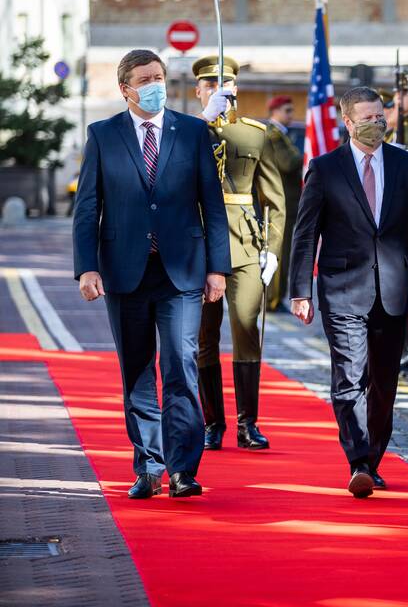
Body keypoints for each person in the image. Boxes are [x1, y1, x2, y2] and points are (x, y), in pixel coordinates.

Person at [72, 48, 230, 499]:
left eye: (158, 76)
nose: (154, 84)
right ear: (126, 89)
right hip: (125, 272)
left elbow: (212, 206)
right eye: (145, 79)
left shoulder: (193, 132)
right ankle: (149, 465)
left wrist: (217, 268)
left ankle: (183, 469)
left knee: (180, 365)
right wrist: (86, 267)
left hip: (182, 272)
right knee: (137, 371)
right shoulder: (102, 135)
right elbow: (88, 208)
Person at [289, 86, 408, 498]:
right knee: (349, 375)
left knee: (383, 381)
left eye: (380, 116)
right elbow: (305, 234)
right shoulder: (325, 169)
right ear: (348, 121)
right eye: (367, 118)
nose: (376, 123)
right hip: (341, 289)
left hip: (392, 289)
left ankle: (373, 458)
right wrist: (300, 289)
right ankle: (357, 460)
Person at [191, 55, 286, 452]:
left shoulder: (254, 134)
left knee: (247, 331)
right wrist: (204, 124)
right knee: (203, 338)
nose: (217, 91)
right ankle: (213, 422)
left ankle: (249, 422)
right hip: (198, 245)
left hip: (244, 244)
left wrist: (274, 249)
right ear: (198, 91)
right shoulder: (185, 132)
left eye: (224, 85)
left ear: (235, 90)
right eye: (209, 85)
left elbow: (275, 198)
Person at [265, 95, 305, 311]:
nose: (291, 115)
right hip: (280, 202)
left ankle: (277, 297)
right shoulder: (274, 135)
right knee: (279, 251)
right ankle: (273, 299)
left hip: (286, 201)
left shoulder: (282, 135)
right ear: (276, 111)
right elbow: (288, 163)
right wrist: (307, 155)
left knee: (283, 250)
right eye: (288, 111)